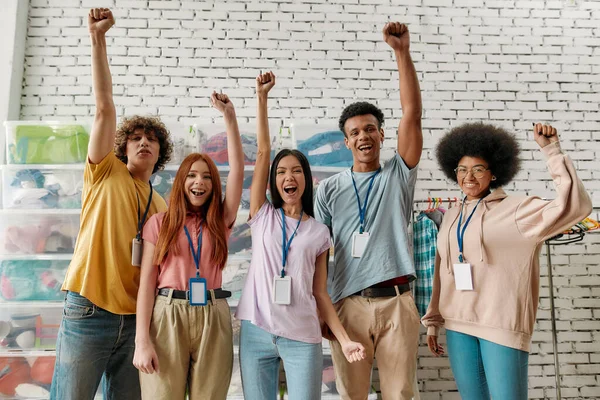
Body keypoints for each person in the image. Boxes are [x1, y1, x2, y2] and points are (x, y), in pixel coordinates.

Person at [51, 8, 173, 400]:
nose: (143, 142)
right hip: (88, 309)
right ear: (122, 147)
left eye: (151, 139)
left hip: (134, 323)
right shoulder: (104, 171)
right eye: (135, 137)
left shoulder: (161, 204)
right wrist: (97, 38)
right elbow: (104, 107)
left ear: (160, 153)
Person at [422, 122, 592, 400]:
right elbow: (443, 269)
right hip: (457, 324)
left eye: (478, 169)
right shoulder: (451, 215)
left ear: (494, 173)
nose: (469, 177)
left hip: (501, 324)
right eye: (462, 169)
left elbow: (576, 206)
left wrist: (552, 152)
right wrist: (433, 320)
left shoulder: (518, 210)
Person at [235, 72, 366, 400]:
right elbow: (263, 153)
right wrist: (261, 97)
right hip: (256, 332)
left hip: (302, 335)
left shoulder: (320, 232)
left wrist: (344, 338)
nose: (287, 176)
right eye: (281, 172)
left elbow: (320, 293)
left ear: (306, 179)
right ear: (273, 181)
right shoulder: (262, 215)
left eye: (295, 171)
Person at [314, 22, 422, 399]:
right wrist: (325, 311)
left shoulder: (398, 174)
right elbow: (320, 255)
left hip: (396, 302)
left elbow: (411, 114)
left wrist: (401, 53)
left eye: (370, 129)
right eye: (356, 132)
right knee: (351, 394)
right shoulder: (328, 189)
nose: (364, 136)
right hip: (349, 305)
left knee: (401, 393)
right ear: (346, 142)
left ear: (381, 135)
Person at [132, 91, 244, 399]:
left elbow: (238, 171)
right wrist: (142, 341)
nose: (200, 182)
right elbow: (146, 285)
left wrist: (229, 118)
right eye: (192, 175)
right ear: (182, 181)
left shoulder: (221, 219)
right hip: (167, 313)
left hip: (212, 312)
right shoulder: (159, 223)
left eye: (207, 177)